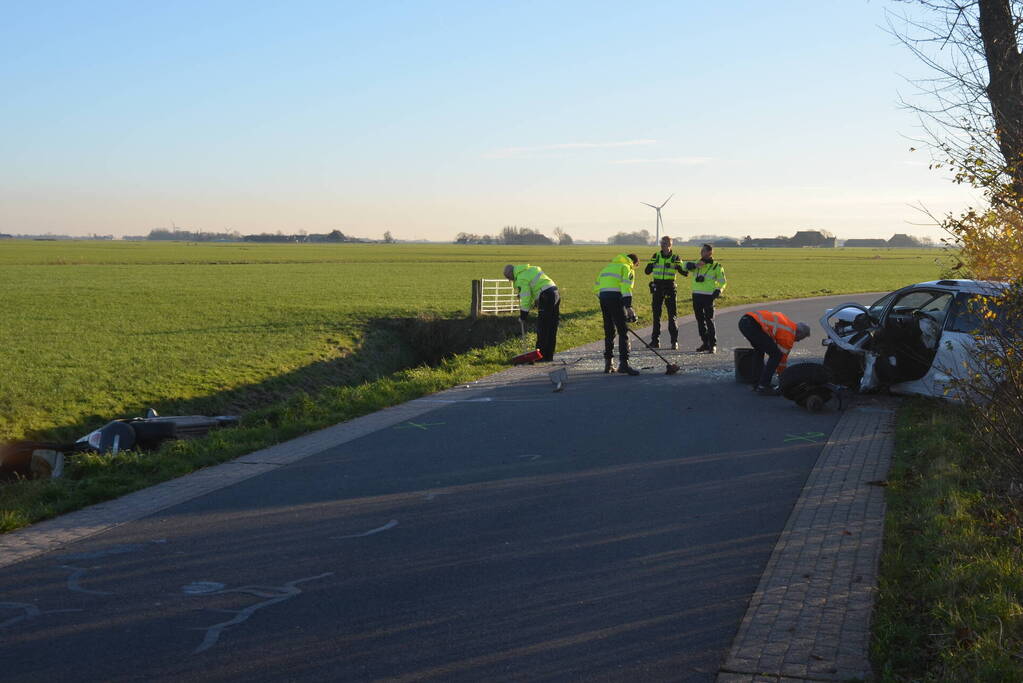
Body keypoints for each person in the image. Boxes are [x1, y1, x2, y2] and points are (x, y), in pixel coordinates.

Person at [738, 310, 811, 394]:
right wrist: (784, 379)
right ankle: (763, 386)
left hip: (746, 321)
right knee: (776, 355)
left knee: (759, 351)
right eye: (800, 338)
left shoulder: (787, 324)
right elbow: (781, 361)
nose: (798, 341)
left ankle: (756, 383)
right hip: (753, 325)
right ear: (799, 332)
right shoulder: (788, 335)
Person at [593, 253, 640, 375]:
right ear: (635, 263)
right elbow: (626, 287)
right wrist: (628, 307)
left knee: (609, 331)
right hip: (616, 298)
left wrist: (605, 299)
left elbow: (596, 288)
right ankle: (624, 364)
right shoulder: (627, 268)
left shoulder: (608, 267)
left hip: (603, 298)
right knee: (623, 331)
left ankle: (608, 365)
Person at [504, 264, 560, 361]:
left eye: (509, 278)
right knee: (551, 327)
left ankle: (540, 356)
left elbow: (526, 298)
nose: (510, 281)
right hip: (555, 293)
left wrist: (523, 316)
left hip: (545, 296)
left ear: (511, 274)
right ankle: (548, 356)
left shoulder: (521, 278)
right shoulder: (529, 269)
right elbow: (532, 290)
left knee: (543, 327)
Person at [644, 235, 684, 349]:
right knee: (656, 315)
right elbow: (647, 271)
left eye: (665, 243)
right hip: (657, 286)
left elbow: (684, 272)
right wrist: (652, 264)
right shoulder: (656, 256)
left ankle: (674, 341)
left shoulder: (675, 257)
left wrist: (677, 266)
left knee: (672, 315)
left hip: (670, 287)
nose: (662, 245)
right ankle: (655, 341)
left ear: (670, 245)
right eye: (661, 243)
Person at [685, 243, 727, 353]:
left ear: (709, 252)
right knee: (700, 321)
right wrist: (694, 266)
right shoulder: (698, 263)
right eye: (701, 251)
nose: (701, 252)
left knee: (709, 320)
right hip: (696, 295)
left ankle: (713, 344)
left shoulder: (716, 266)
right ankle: (705, 342)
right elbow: (684, 266)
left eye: (703, 251)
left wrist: (718, 290)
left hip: (709, 296)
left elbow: (723, 282)